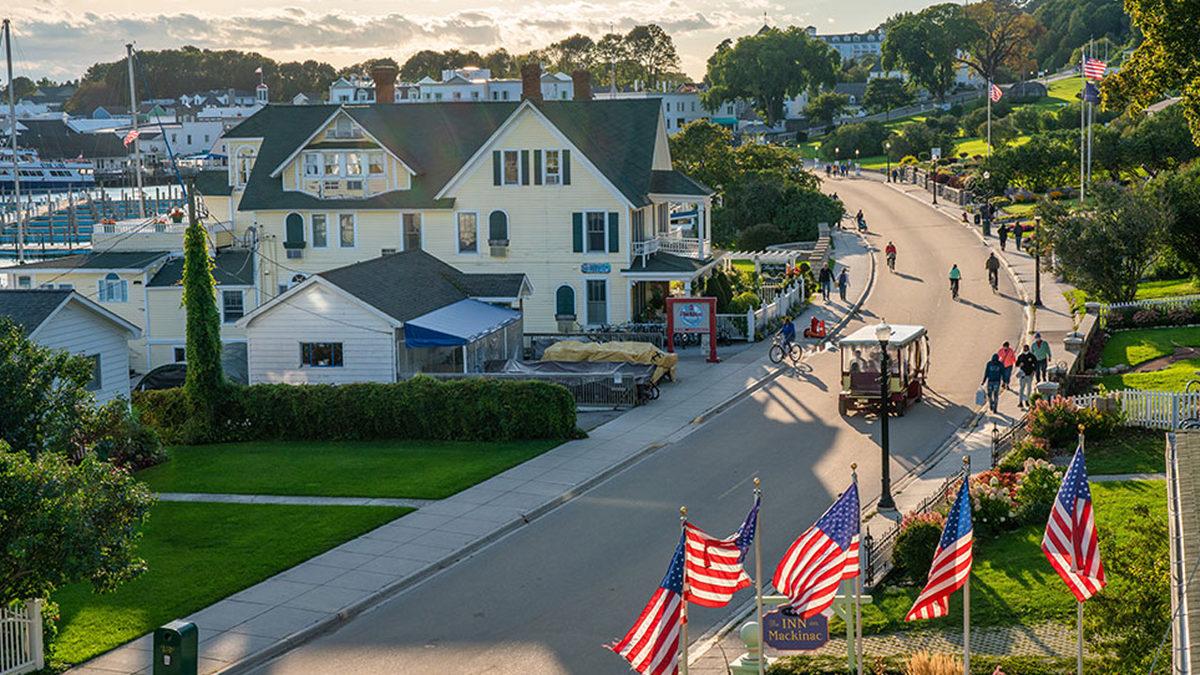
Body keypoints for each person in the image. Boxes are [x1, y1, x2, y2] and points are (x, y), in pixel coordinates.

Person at [1015, 345, 1038, 409]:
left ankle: (1027, 401)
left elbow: (1036, 364)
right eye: (1024, 348)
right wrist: (1019, 364)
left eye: (1026, 348)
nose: (1025, 349)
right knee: (1021, 389)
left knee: (1029, 389)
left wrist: (1033, 370)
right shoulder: (1021, 356)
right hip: (1022, 375)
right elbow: (1016, 364)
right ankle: (1020, 402)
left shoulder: (1032, 356)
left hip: (1029, 375)